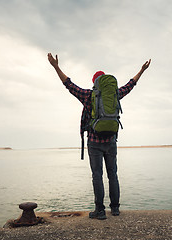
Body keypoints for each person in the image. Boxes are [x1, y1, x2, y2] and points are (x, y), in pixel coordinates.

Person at [48, 53, 151, 220]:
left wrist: (55, 66)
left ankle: (100, 211)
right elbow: (131, 85)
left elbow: (69, 84)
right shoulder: (115, 94)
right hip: (111, 141)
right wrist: (142, 70)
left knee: (97, 175)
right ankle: (115, 209)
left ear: (94, 83)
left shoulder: (88, 95)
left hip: (94, 143)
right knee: (113, 174)